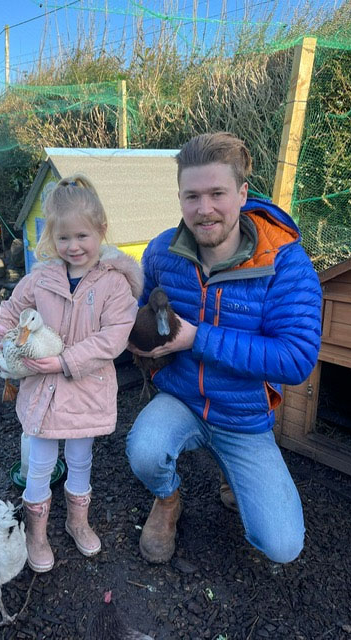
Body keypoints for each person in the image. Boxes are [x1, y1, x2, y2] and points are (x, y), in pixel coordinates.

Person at [126, 132, 322, 566]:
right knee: (144, 449)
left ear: (243, 193)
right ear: (179, 197)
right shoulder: (161, 253)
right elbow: (137, 312)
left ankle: (233, 473)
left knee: (283, 545)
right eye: (191, 195)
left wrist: (197, 339)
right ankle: (168, 500)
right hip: (180, 397)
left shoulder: (284, 264)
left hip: (244, 417)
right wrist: (132, 337)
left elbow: (296, 357)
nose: (204, 209)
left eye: (217, 193)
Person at [0, 174, 142, 573]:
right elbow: (9, 313)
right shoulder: (41, 279)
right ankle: (36, 534)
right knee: (37, 463)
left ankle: (77, 520)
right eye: (63, 238)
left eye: (82, 237)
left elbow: (113, 337)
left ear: (100, 231)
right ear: (51, 238)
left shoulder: (113, 285)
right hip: (42, 394)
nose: (73, 247)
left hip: (85, 391)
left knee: (80, 458)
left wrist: (64, 361)